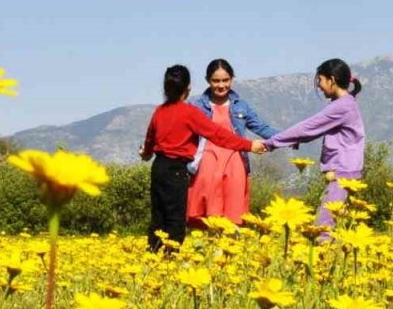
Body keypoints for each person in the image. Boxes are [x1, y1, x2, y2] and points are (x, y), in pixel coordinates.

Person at [140, 65, 267, 252]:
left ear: (166, 88)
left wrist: (146, 153)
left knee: (158, 215)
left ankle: (152, 254)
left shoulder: (159, 111)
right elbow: (218, 135)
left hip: (158, 167)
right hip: (177, 170)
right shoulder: (190, 113)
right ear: (188, 88)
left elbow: (150, 139)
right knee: (176, 218)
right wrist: (249, 145)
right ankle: (169, 259)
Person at [263, 58, 365, 235]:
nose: (319, 86)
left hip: (343, 172)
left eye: (320, 81)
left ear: (331, 80)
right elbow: (314, 130)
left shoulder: (342, 106)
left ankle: (321, 258)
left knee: (324, 224)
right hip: (348, 170)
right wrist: (293, 140)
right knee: (338, 223)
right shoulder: (345, 104)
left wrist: (271, 143)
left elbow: (308, 127)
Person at [185, 58, 279, 226]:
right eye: (216, 81)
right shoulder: (195, 105)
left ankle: (231, 250)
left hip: (235, 163)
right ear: (208, 81)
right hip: (206, 164)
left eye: (225, 80)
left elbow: (261, 127)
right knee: (207, 219)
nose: (221, 85)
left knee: (233, 216)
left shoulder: (240, 105)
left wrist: (288, 138)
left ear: (232, 79)